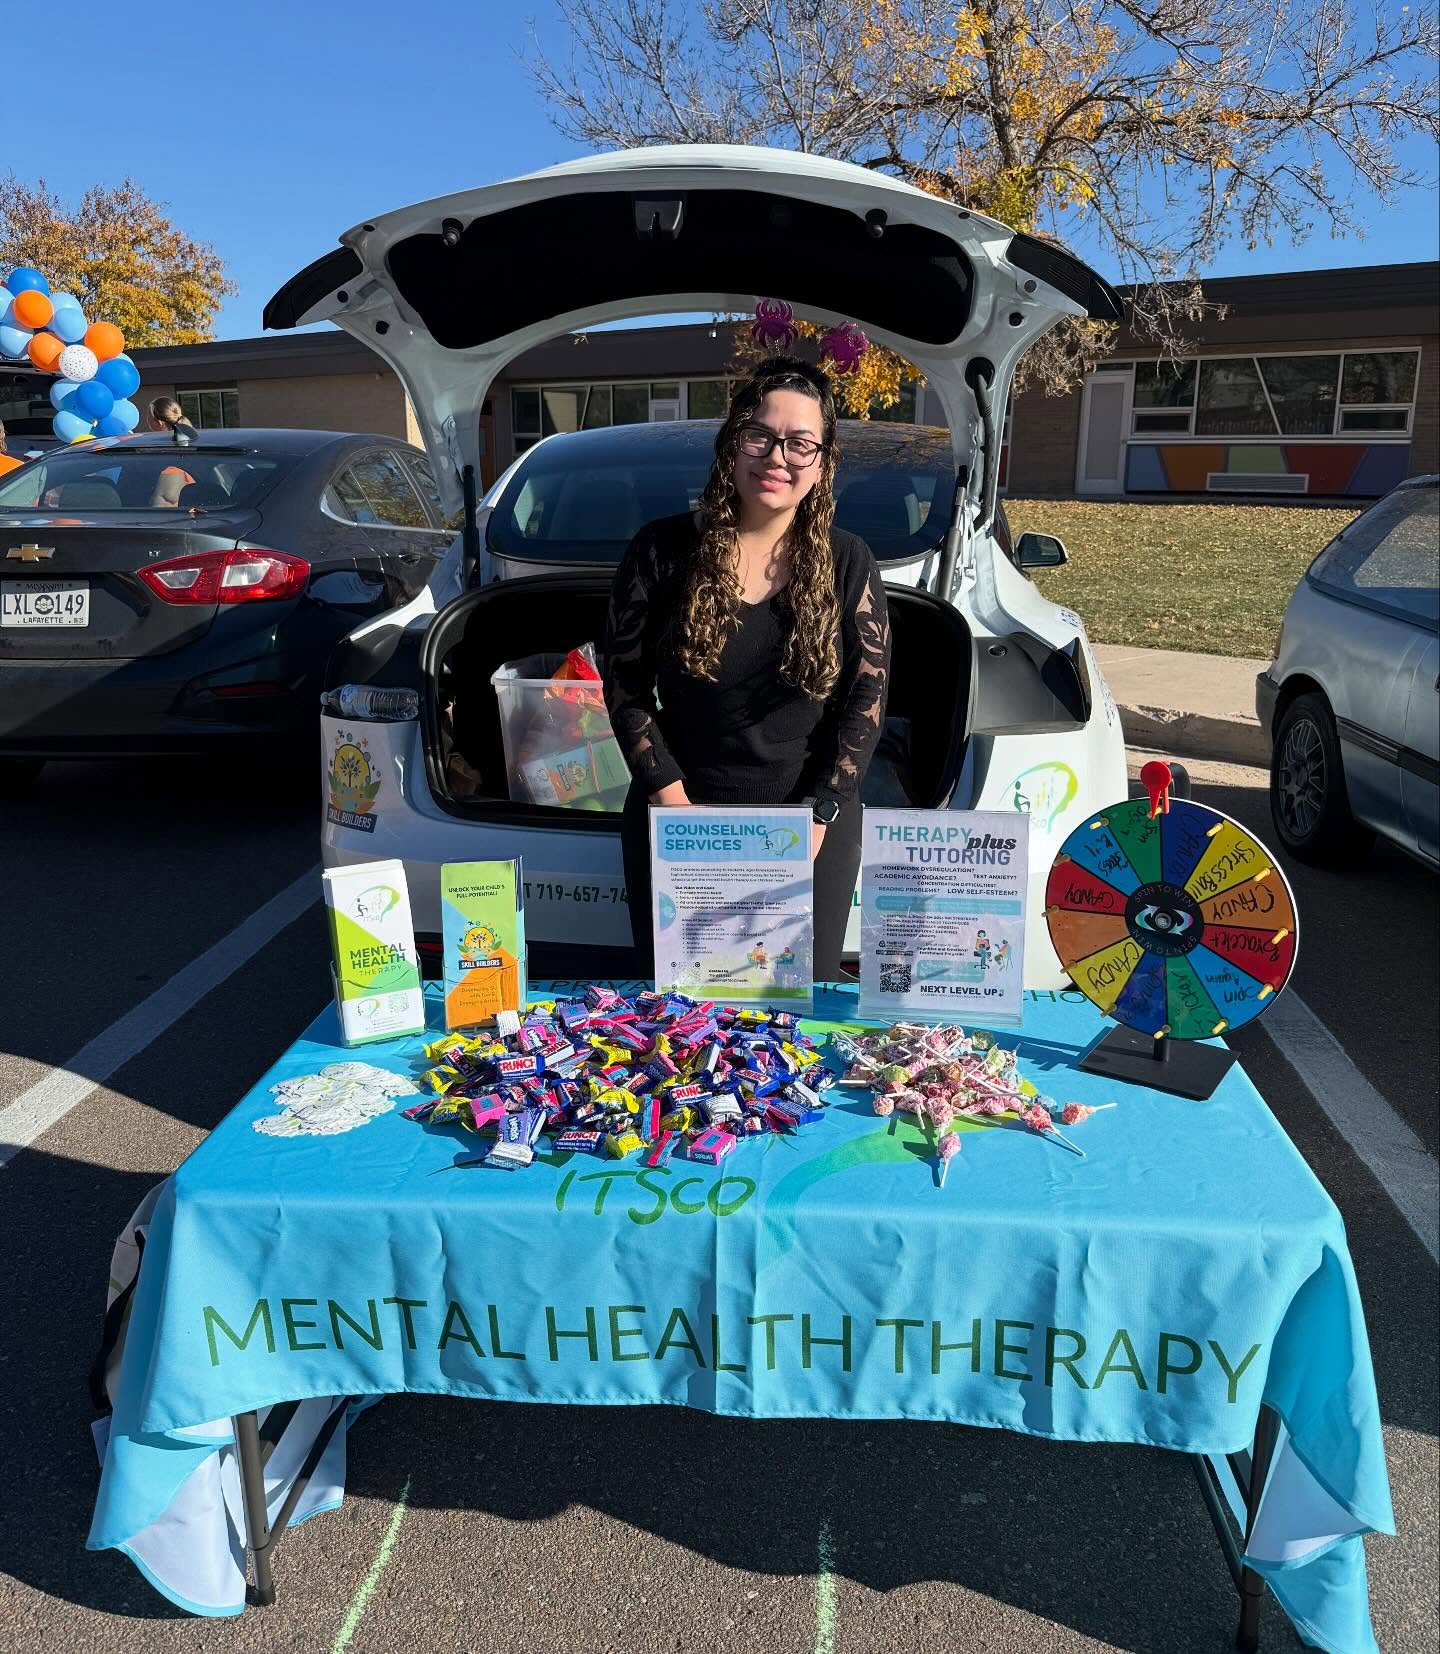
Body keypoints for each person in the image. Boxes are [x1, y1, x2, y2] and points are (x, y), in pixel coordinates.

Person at [602, 356, 891, 982]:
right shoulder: (660, 550)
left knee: (797, 1014)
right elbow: (624, 685)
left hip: (808, 823)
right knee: (681, 1017)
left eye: (800, 442)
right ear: (731, 444)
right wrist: (670, 803)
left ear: (823, 462)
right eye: (759, 435)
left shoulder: (848, 561)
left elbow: (866, 698)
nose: (777, 457)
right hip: (680, 813)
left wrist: (822, 809)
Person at [146, 398, 197, 507]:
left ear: (158, 423)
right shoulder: (192, 443)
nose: (147, 420)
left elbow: (160, 509)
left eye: (148, 416)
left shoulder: (170, 468)